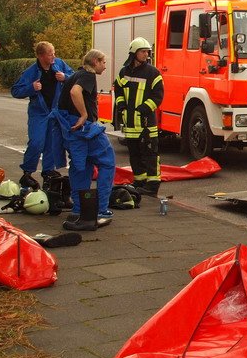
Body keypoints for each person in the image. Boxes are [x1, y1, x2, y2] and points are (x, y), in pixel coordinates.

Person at [54, 49, 115, 231]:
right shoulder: (88, 76)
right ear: (95, 61)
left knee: (81, 166)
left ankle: (80, 209)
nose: (105, 66)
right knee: (107, 161)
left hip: (71, 130)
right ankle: (101, 209)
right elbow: (75, 92)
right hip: (84, 129)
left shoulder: (74, 75)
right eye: (103, 62)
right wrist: (84, 114)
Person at [10, 41, 74, 190]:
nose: (54, 56)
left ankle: (48, 173)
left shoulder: (59, 65)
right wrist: (31, 88)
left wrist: (65, 77)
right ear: (40, 56)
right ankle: (27, 172)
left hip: (55, 111)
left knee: (52, 144)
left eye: (54, 52)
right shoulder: (31, 72)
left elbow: (75, 77)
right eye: (50, 53)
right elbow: (15, 90)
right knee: (36, 142)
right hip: (39, 112)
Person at [113, 37, 164, 196]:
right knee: (134, 154)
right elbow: (119, 89)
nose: (146, 54)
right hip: (130, 123)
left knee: (150, 154)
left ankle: (153, 185)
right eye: (143, 51)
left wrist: (143, 109)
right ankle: (139, 181)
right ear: (134, 53)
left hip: (146, 123)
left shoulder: (153, 72)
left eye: (147, 52)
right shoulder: (124, 71)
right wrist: (121, 105)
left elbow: (158, 96)